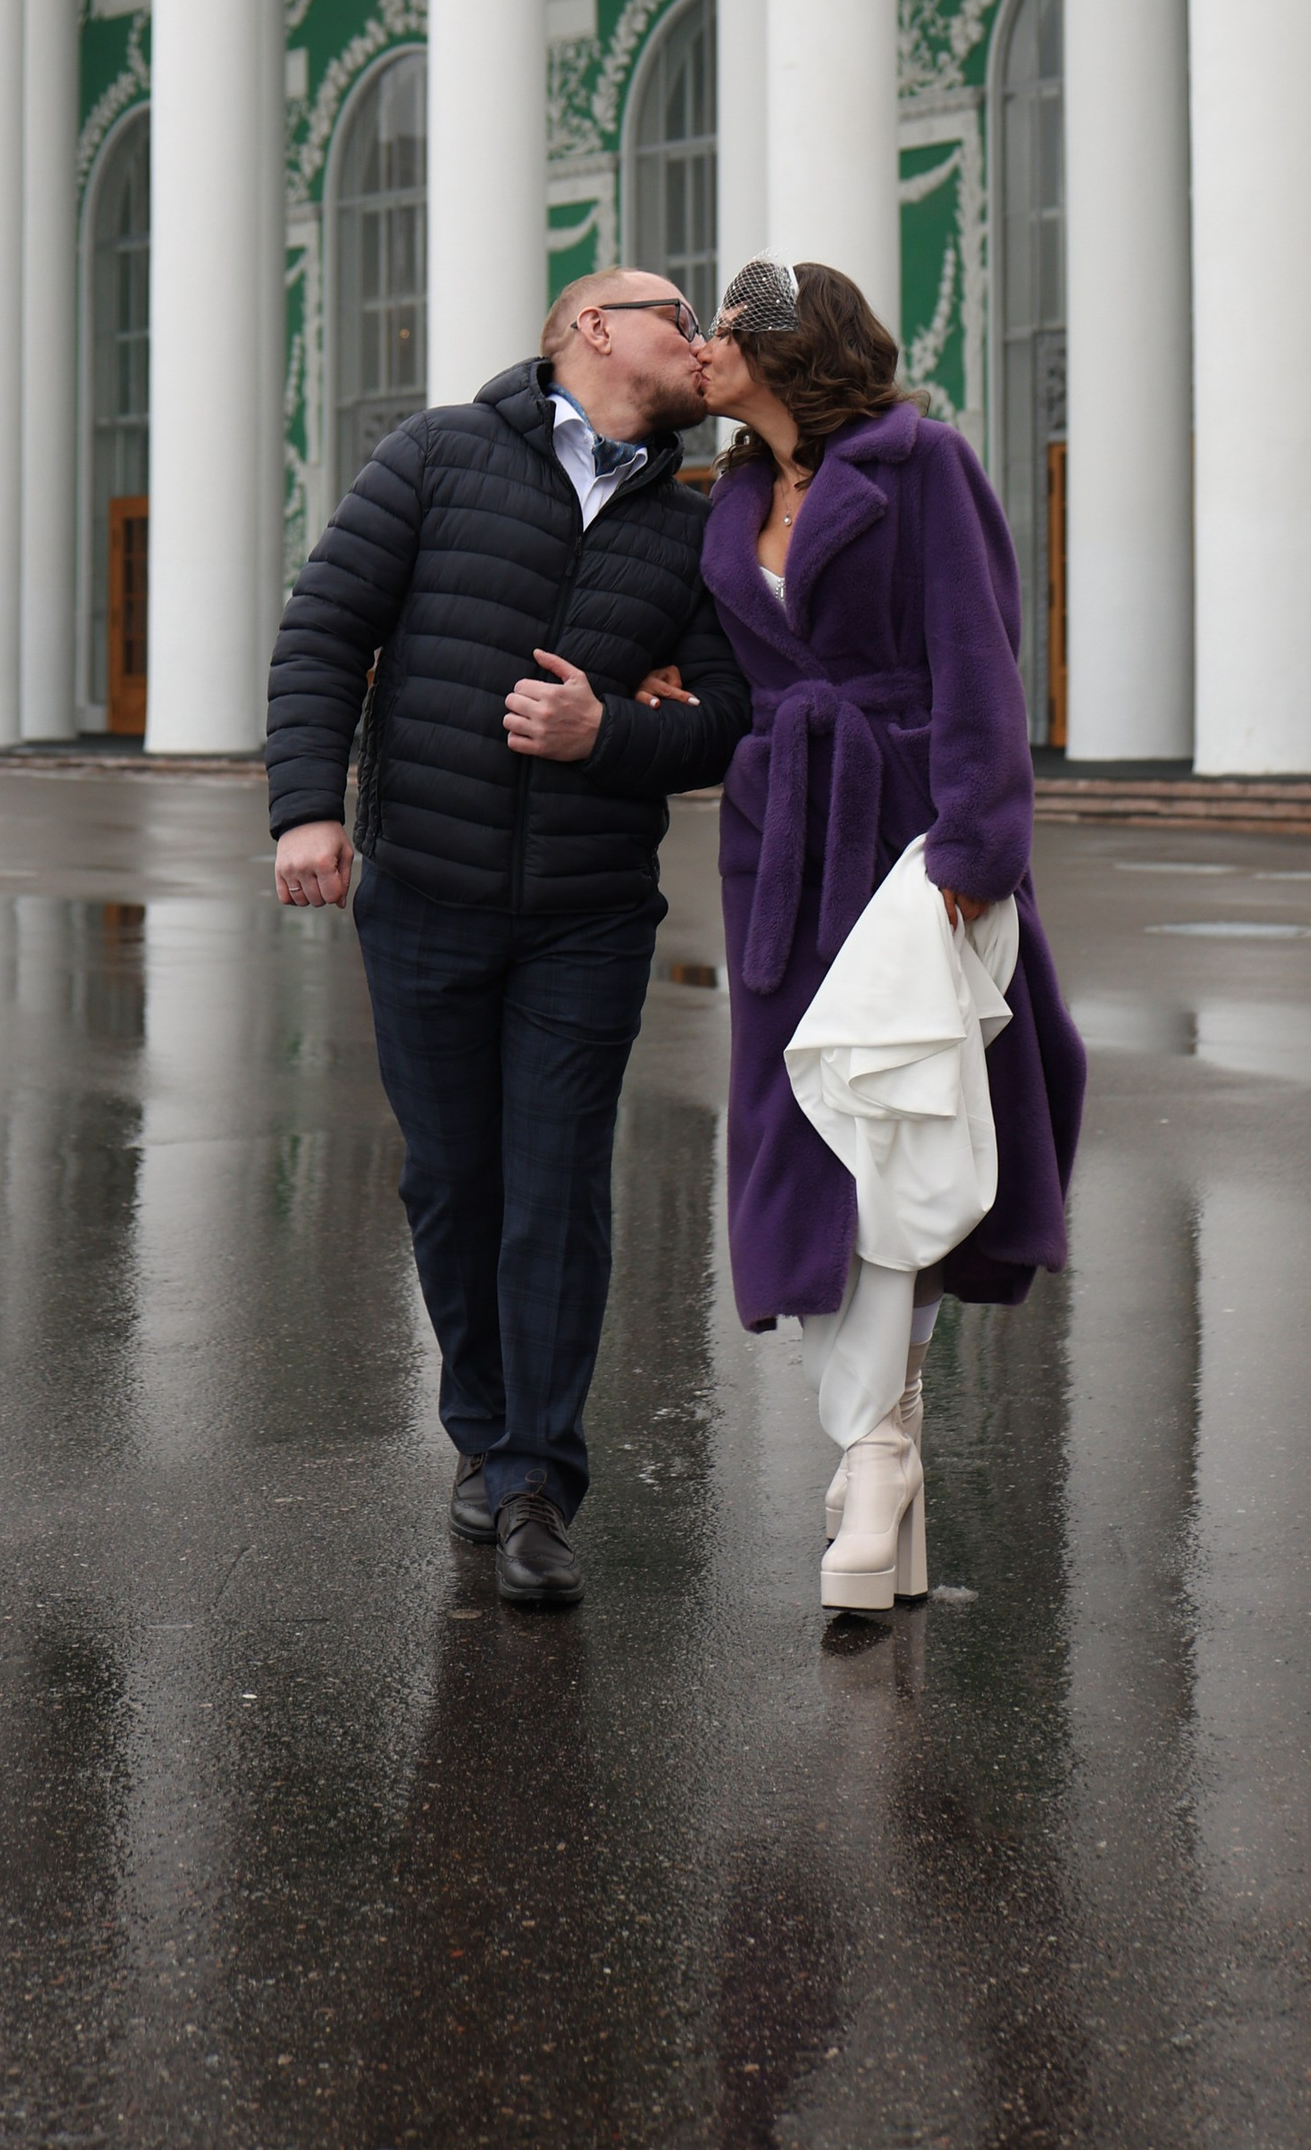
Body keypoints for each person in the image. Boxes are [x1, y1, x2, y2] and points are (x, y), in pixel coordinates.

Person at [265, 273, 751, 1608]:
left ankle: (537, 1479)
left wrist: (615, 735)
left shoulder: (692, 523)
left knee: (555, 1188)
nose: (699, 338)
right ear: (593, 325)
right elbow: (325, 627)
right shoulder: (439, 455)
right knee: (453, 1182)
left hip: (588, 916)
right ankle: (481, 1430)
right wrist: (309, 808)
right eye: (677, 313)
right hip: (426, 891)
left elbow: (729, 716)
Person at [655, 257, 1085, 1613]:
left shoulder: (922, 466)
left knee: (899, 1113)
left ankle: (879, 1457)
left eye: (727, 331)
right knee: (811, 1121)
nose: (705, 351)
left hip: (909, 832)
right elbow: (729, 657)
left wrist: (976, 849)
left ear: (792, 348)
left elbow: (981, 656)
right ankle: (881, 1457)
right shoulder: (727, 492)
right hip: (780, 834)